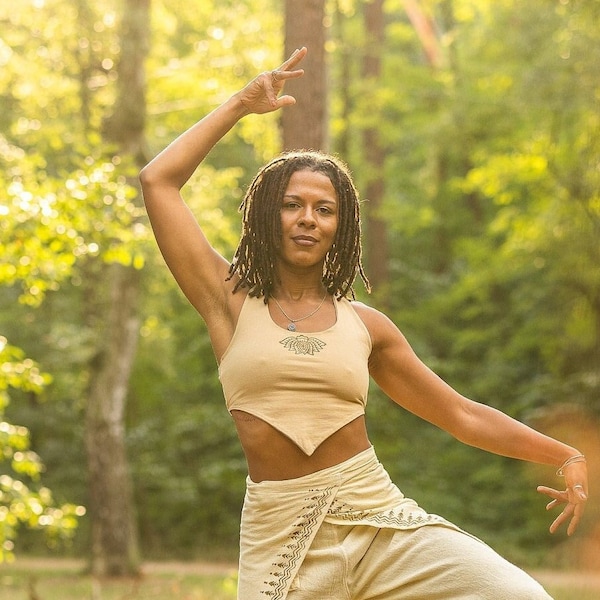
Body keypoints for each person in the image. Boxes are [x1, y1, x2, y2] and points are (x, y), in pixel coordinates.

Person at [139, 47, 588, 600]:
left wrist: (565, 453)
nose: (308, 218)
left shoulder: (368, 327)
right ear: (267, 215)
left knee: (519, 596)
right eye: (292, 205)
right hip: (279, 534)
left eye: (324, 209)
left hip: (377, 519)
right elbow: (158, 181)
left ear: (340, 226)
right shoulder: (226, 299)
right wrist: (240, 104)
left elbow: (461, 414)